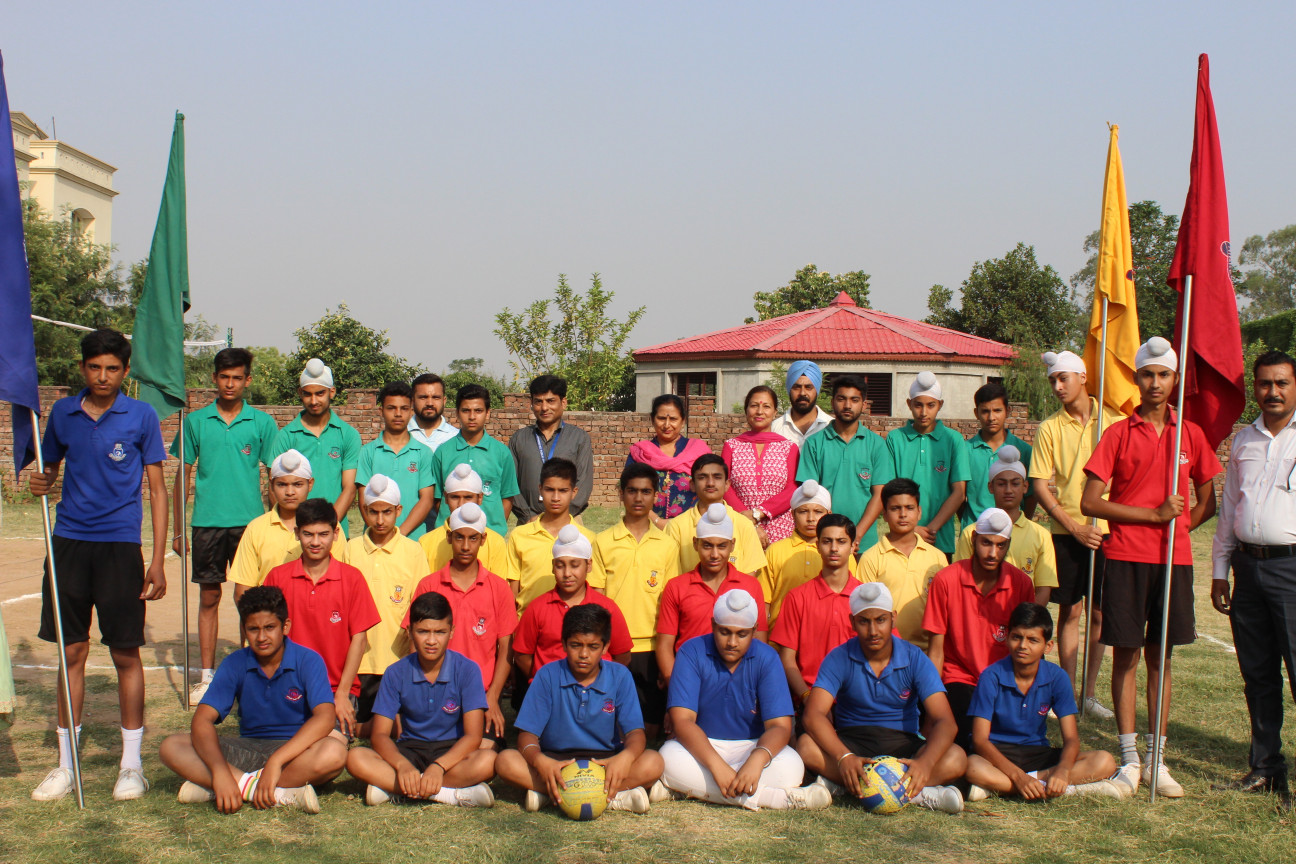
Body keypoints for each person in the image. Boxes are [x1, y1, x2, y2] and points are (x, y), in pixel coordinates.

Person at [28, 329, 169, 802]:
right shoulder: (63, 414)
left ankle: (131, 765)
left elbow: (157, 489)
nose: (103, 376)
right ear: (82, 369)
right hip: (68, 545)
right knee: (72, 653)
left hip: (120, 548)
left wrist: (156, 558)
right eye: (95, 368)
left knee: (126, 654)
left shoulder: (142, 416)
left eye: (112, 369)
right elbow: (47, 470)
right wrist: (40, 482)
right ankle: (66, 765)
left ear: (125, 372)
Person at [1081, 336, 1220, 797]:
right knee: (1127, 655)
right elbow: (1090, 501)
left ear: (1175, 379)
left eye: (1163, 374)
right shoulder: (1118, 433)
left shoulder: (1191, 433)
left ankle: (1158, 760)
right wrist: (1151, 517)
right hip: (1124, 559)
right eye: (1147, 374)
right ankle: (1130, 759)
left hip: (1172, 561)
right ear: (1136, 379)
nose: (1155, 382)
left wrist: (1177, 530)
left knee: (1162, 659)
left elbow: (1207, 500)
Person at [157, 586, 345, 813]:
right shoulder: (235, 662)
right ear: (244, 630)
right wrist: (219, 772)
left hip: (293, 754)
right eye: (253, 629)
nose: (262, 637)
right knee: (172, 746)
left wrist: (276, 761)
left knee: (335, 753)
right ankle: (272, 792)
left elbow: (325, 718)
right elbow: (201, 721)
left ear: (285, 626)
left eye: (269, 628)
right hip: (246, 750)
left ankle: (228, 787)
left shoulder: (308, 660)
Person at [797, 582, 967, 813]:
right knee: (806, 746)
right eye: (864, 621)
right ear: (852, 622)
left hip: (903, 743)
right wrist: (843, 756)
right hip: (854, 741)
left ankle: (848, 786)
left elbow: (946, 722)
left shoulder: (914, 657)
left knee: (957, 758)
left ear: (893, 619)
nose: (873, 631)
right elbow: (813, 715)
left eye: (881, 620)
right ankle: (914, 793)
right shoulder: (839, 657)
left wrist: (925, 764)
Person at [170, 347, 279, 703]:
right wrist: (177, 529)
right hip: (207, 523)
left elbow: (274, 476)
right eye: (223, 377)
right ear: (214, 379)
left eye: (237, 377)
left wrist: (278, 522)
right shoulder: (195, 421)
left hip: (251, 525)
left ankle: (255, 672)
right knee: (210, 596)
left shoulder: (261, 423)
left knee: (249, 598)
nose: (230, 384)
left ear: (247, 380)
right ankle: (206, 675)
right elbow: (182, 475)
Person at [1211, 350, 1296, 802]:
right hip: (1247, 567)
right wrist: (1220, 571)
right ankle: (1266, 767)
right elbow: (1229, 511)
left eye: (1281, 383)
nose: (1273, 392)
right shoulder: (1245, 440)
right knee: (1258, 674)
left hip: (1292, 569)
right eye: (1265, 384)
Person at [659, 591, 830, 811]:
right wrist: (717, 767)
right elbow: (683, 721)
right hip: (702, 748)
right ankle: (775, 799)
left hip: (752, 746)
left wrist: (757, 760)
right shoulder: (691, 652)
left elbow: (780, 726)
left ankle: (689, 789)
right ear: (713, 625)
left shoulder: (767, 658)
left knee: (792, 765)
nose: (732, 642)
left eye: (742, 634)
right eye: (724, 632)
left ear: (754, 630)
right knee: (668, 757)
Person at [496, 605, 665, 814]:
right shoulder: (547, 675)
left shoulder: (620, 676)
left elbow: (635, 734)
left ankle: (552, 795)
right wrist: (540, 761)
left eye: (593, 646)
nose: (583, 654)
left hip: (605, 763)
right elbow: (527, 736)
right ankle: (611, 797)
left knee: (654, 762)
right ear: (564, 644)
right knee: (505, 761)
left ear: (605, 647)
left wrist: (626, 757)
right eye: (576, 645)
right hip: (556, 762)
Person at [1029, 349, 1122, 719]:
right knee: (1071, 611)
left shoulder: (1115, 422)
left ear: (1083, 377)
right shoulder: (1050, 427)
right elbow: (1039, 484)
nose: (1057, 386)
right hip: (1067, 531)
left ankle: (1089, 694)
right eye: (1052, 380)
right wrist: (1075, 527)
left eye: (1063, 378)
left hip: (1110, 531)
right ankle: (1065, 693)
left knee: (1101, 612)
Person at [346, 591, 496, 807]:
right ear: (409, 632)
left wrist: (439, 767)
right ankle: (447, 793)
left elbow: (473, 737)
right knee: (356, 757)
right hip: (409, 750)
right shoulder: (395, 672)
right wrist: (402, 766)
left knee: (489, 761)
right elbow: (379, 735)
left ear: (451, 632)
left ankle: (397, 789)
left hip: (451, 753)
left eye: (440, 632)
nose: (432, 641)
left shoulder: (468, 670)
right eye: (423, 632)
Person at [965, 603, 1123, 802]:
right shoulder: (991, 676)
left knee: (1105, 761)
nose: (1023, 646)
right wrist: (1018, 776)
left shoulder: (1057, 677)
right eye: (1017, 637)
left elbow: (1072, 739)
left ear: (1048, 646)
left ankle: (1004, 787)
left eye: (1033, 640)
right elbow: (980, 740)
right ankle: (1060, 788)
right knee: (971, 766)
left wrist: (1063, 771)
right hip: (999, 753)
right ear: (1007, 639)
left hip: (1037, 753)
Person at [263, 498, 381, 740]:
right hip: (288, 688)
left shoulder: (352, 579)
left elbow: (359, 640)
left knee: (331, 750)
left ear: (336, 533)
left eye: (323, 534)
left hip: (336, 690)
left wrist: (342, 694)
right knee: (280, 741)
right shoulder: (278, 577)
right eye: (308, 534)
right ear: (297, 533)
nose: (315, 542)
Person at [922, 508, 1035, 748]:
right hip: (959, 678)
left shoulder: (1021, 584)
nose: (993, 553)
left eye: (1001, 545)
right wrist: (931, 704)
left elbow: (1029, 648)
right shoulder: (946, 580)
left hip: (1005, 680)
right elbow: (936, 649)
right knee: (965, 737)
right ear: (973, 539)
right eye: (986, 543)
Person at [407, 503, 515, 741]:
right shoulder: (429, 585)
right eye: (459, 538)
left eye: (473, 538)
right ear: (449, 537)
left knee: (486, 754)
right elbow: (414, 642)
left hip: (481, 694)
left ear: (483, 539)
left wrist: (493, 697)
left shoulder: (499, 588)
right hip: (435, 692)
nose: (466, 546)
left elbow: (506, 647)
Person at [594, 463, 682, 739]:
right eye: (632, 491)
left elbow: (671, 600)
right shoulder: (603, 541)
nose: (639, 498)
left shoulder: (668, 544)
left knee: (650, 727)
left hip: (653, 643)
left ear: (656, 496)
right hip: (615, 645)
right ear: (621, 494)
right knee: (612, 721)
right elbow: (596, 598)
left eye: (646, 492)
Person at [342, 475, 429, 738]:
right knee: (356, 729)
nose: (380, 520)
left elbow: (419, 608)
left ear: (398, 511)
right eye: (374, 512)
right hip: (359, 662)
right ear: (364, 511)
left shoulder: (413, 552)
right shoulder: (351, 549)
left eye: (387, 512)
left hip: (397, 660)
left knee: (399, 728)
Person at [656, 504, 769, 686]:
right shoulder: (676, 587)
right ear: (695, 544)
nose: (714, 554)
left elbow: (760, 643)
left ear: (732, 545)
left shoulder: (750, 586)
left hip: (739, 683)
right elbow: (664, 646)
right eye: (707, 546)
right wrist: (677, 686)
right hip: (689, 681)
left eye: (722, 546)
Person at [514, 526, 633, 681]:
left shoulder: (606, 608)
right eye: (560, 565)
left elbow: (623, 655)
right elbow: (523, 655)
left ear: (588, 565)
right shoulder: (538, 608)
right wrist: (545, 683)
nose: (567, 573)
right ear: (552, 566)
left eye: (575, 565)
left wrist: (602, 684)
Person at [770, 514, 861, 706]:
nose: (834, 548)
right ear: (818, 545)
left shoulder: (865, 598)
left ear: (853, 547)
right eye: (827, 541)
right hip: (809, 698)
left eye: (841, 541)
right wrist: (806, 696)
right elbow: (787, 659)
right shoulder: (797, 597)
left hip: (857, 702)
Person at [796, 374, 894, 551]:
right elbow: (810, 496)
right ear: (833, 402)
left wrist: (857, 535)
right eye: (841, 399)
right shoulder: (814, 443)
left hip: (864, 543)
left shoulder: (876, 445)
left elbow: (880, 495)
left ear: (864, 405)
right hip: (825, 543)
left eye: (854, 400)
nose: (847, 405)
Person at [954, 446, 1057, 605]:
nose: (1008, 490)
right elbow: (962, 581)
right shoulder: (972, 533)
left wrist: (1024, 624)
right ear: (990, 487)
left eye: (1015, 484)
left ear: (1025, 487)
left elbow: (1043, 589)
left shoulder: (1040, 535)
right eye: (1001, 484)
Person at [270, 358, 362, 537]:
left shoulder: (348, 435)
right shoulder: (286, 436)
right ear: (300, 393)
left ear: (332, 392)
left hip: (336, 531)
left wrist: (327, 528)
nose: (313, 401)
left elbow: (350, 489)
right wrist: (294, 530)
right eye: (307, 394)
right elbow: (274, 487)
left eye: (320, 393)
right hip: (294, 532)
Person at [228, 451, 336, 598]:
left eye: (297, 484)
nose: (289, 492)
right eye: (282, 484)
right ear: (271, 484)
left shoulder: (327, 528)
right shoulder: (256, 529)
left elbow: (340, 580)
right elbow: (243, 590)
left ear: (310, 484)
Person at [857, 478, 947, 649]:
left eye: (909, 508)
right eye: (895, 508)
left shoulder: (938, 558)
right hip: (886, 650)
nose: (903, 514)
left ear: (919, 512)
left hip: (928, 650)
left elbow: (944, 609)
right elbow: (865, 610)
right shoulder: (871, 558)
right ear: (884, 513)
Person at [886, 372, 969, 557]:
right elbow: (890, 491)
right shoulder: (895, 438)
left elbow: (959, 493)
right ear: (909, 404)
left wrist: (930, 529)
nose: (923, 412)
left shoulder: (953, 439)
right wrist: (912, 529)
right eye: (918, 405)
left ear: (940, 405)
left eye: (930, 405)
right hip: (902, 539)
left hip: (939, 539)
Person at [505, 457, 599, 609]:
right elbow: (512, 588)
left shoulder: (588, 538)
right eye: (549, 490)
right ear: (540, 489)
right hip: (528, 621)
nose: (555, 498)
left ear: (574, 492)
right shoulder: (520, 535)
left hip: (573, 625)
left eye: (563, 491)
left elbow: (594, 587)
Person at [430, 383, 520, 536]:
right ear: (457, 413)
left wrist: (493, 529)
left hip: (490, 535)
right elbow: (437, 499)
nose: (472, 417)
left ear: (487, 413)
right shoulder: (443, 452)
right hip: (450, 536)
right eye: (466, 411)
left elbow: (507, 497)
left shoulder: (501, 453)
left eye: (478, 411)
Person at [508, 375, 594, 524]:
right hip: (528, 523)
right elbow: (510, 483)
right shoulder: (519, 439)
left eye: (550, 401)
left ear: (564, 402)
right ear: (532, 404)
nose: (544, 408)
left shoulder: (579, 438)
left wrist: (560, 516)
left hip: (568, 521)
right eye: (538, 402)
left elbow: (583, 484)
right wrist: (528, 516)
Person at [721, 385, 800, 545]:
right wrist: (747, 519)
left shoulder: (789, 447)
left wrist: (759, 513)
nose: (759, 412)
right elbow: (724, 485)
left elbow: (792, 487)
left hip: (780, 528)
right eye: (754, 406)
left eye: (766, 406)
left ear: (775, 412)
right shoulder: (731, 446)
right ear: (746, 410)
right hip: (740, 525)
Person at [356, 382, 436, 539]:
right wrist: (380, 535)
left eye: (404, 408)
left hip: (413, 539)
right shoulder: (368, 452)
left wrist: (400, 535)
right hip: (375, 539)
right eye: (391, 408)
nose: (398, 414)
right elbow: (363, 499)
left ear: (411, 411)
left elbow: (426, 500)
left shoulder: (424, 453)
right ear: (381, 411)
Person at [667, 454, 767, 577]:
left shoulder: (744, 525)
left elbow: (750, 575)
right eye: (702, 477)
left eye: (717, 477)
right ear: (692, 484)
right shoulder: (676, 527)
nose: (710, 483)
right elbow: (670, 575)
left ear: (727, 485)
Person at [625, 394, 713, 525]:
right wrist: (657, 521)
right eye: (661, 418)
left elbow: (711, 490)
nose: (667, 425)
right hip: (647, 527)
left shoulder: (699, 452)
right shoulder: (640, 453)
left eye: (673, 419)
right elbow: (629, 492)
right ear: (652, 419)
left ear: (683, 421)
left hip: (692, 527)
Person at [963, 380, 1035, 522]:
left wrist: (1019, 524)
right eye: (985, 411)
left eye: (997, 410)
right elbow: (959, 495)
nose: (991, 418)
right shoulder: (964, 451)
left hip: (1012, 532)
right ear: (976, 413)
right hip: (974, 530)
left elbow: (1031, 495)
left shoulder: (1023, 451)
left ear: (1007, 411)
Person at [418, 464, 509, 576]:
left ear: (480, 498)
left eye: (468, 497)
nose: (461, 504)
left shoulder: (496, 543)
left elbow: (498, 587)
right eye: (455, 497)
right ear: (446, 498)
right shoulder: (426, 542)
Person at [770, 360, 833, 449]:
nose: (803, 393)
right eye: (796, 387)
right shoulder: (774, 429)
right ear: (789, 390)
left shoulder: (831, 427)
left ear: (817, 390)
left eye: (808, 387)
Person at [407, 373, 459, 452]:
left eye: (436, 397)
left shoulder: (456, 437)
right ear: (412, 401)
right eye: (423, 397)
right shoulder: (399, 435)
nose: (429, 403)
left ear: (444, 401)